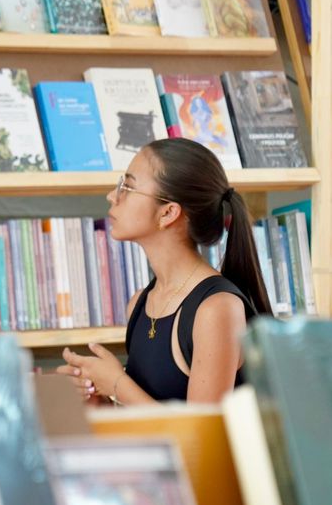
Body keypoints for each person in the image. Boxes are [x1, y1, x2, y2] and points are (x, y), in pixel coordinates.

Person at [58, 138, 271, 405]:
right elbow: (147, 422)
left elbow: (203, 437)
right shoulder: (140, 303)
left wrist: (117, 384)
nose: (112, 196)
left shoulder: (217, 309)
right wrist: (98, 397)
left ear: (168, 213)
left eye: (128, 186)